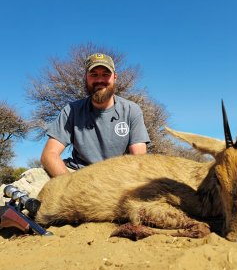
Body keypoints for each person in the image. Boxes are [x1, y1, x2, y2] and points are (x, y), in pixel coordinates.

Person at [0, 53, 150, 204]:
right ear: (86, 77)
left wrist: (114, 185)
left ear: (115, 77)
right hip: (75, 175)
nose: (99, 79)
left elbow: (138, 160)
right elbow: (49, 155)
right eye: (94, 74)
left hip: (115, 178)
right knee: (23, 185)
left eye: (105, 74)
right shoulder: (71, 110)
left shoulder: (132, 110)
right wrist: (73, 185)